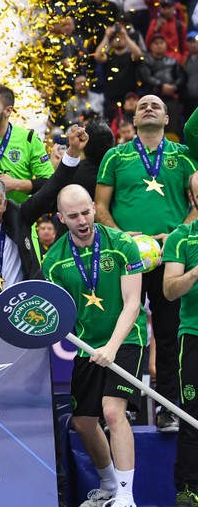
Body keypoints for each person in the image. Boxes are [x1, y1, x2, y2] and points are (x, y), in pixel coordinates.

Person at [97, 94, 197, 432]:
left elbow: (197, 203)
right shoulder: (115, 156)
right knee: (127, 331)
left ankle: (168, 408)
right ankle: (127, 407)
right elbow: (100, 208)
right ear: (133, 118)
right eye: (143, 106)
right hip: (129, 259)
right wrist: (123, 238)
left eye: (157, 106)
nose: (150, 108)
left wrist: (180, 233)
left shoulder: (183, 157)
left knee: (168, 333)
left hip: (171, 257)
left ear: (168, 119)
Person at [43, 184, 146, 507]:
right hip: (88, 347)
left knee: (113, 413)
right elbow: (58, 316)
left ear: (93, 208)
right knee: (83, 421)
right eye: (73, 216)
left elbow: (133, 304)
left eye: (86, 212)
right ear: (62, 218)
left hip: (126, 339)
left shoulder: (122, 245)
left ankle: (127, 498)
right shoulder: (54, 261)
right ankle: (109, 485)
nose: (82, 220)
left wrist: (113, 347)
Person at [0, 124, 88, 320]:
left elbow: (50, 189)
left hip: (23, 320)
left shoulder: (19, 217)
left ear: (5, 204)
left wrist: (72, 152)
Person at [162, 171, 198, 506]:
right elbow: (169, 291)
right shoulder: (181, 238)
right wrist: (195, 271)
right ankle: (188, 489)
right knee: (192, 416)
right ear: (193, 199)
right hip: (194, 336)